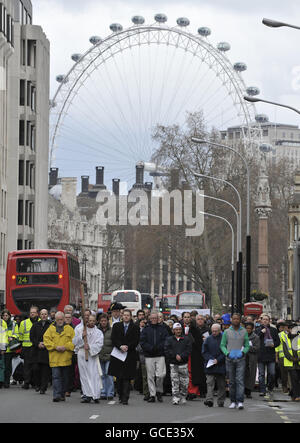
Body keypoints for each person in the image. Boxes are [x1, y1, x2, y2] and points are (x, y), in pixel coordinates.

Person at [108, 309, 140, 405]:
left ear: (130, 317)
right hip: (118, 354)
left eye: (128, 315)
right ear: (122, 316)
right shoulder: (116, 326)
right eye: (124, 315)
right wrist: (120, 346)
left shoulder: (135, 327)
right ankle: (120, 395)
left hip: (129, 354)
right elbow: (113, 338)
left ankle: (125, 398)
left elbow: (136, 340)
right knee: (119, 377)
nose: (126, 317)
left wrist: (127, 347)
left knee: (127, 377)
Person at [43, 311, 75, 402]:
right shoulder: (50, 329)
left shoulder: (69, 329)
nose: (60, 321)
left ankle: (62, 394)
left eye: (61, 319)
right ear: (55, 320)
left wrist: (66, 347)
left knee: (65, 378)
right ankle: (56, 395)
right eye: (58, 319)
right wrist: (55, 347)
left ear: (64, 319)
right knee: (56, 377)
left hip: (65, 358)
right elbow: (46, 340)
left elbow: (74, 341)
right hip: (55, 358)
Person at [220, 313, 250, 410]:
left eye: (237, 319)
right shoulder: (226, 332)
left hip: (241, 359)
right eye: (234, 319)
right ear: (231, 320)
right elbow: (222, 345)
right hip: (229, 359)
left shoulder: (244, 331)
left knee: (240, 380)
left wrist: (243, 352)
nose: (236, 320)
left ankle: (240, 401)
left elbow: (247, 345)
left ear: (240, 320)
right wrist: (227, 353)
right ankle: (233, 401)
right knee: (232, 381)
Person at [73, 314, 103, 403]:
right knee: (84, 375)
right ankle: (87, 394)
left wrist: (90, 346)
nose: (92, 322)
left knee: (94, 374)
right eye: (90, 321)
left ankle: (96, 395)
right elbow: (74, 341)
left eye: (93, 321)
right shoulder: (79, 329)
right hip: (82, 353)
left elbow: (99, 344)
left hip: (92, 355)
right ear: (87, 321)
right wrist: (81, 336)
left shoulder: (98, 332)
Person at [140, 311, 169, 403]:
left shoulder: (163, 329)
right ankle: (152, 394)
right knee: (150, 376)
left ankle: (159, 391)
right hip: (149, 355)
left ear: (158, 319)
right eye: (152, 318)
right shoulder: (146, 329)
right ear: (149, 319)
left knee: (161, 375)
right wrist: (150, 348)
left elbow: (166, 340)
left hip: (160, 354)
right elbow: (142, 341)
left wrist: (159, 347)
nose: (154, 320)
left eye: (155, 318)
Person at [164, 323, 192, 405]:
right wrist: (175, 356)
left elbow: (189, 350)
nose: (178, 331)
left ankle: (183, 396)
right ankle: (175, 397)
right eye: (176, 329)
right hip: (173, 364)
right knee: (174, 381)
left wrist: (181, 356)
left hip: (183, 364)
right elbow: (167, 349)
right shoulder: (169, 339)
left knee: (184, 382)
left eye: (179, 329)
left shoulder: (186, 339)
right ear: (173, 330)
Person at [256, 314, 280, 399]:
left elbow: (278, 342)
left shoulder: (273, 330)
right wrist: (260, 332)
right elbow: (255, 339)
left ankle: (270, 388)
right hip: (261, 355)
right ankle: (262, 390)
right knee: (261, 374)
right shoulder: (258, 329)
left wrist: (274, 345)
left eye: (267, 319)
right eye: (264, 319)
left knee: (272, 373)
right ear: (261, 321)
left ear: (269, 321)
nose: (265, 321)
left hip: (270, 354)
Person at [202, 323, 226, 408]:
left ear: (220, 331)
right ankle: (209, 400)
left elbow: (225, 351)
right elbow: (204, 352)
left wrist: (218, 360)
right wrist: (211, 359)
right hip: (210, 364)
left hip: (221, 364)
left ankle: (221, 401)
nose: (214, 333)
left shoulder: (224, 339)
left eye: (216, 331)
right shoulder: (208, 339)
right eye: (212, 331)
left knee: (221, 384)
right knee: (209, 383)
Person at [29, 309, 51, 394]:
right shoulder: (35, 325)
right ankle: (37, 384)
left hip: (46, 351)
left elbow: (53, 337)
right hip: (36, 351)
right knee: (36, 369)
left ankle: (43, 387)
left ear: (47, 315)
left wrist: (46, 344)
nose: (44, 316)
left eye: (45, 314)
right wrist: (37, 343)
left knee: (45, 371)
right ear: (39, 315)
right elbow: (32, 337)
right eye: (42, 314)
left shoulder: (50, 325)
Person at [18, 306, 40, 389]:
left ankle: (35, 382)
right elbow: (20, 335)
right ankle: (26, 382)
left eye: (34, 312)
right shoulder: (24, 323)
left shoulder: (40, 322)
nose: (32, 314)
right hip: (26, 347)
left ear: (37, 313)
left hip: (36, 347)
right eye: (31, 313)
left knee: (36, 366)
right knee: (27, 366)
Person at [281, 324, 300, 401]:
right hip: (291, 363)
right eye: (292, 329)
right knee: (294, 379)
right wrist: (292, 359)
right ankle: (297, 396)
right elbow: (285, 351)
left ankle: (292, 393)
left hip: (299, 362)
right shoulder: (285, 338)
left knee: (298, 379)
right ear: (288, 329)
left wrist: (298, 359)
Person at [98, 313, 114, 401]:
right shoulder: (97, 330)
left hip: (109, 355)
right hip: (100, 355)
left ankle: (110, 393)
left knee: (109, 374)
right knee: (102, 375)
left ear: (108, 321)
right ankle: (103, 392)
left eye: (105, 321)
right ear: (99, 322)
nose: (103, 322)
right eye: (102, 321)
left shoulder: (111, 330)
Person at [2, 310, 19, 389]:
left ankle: (6, 382)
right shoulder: (1, 323)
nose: (5, 317)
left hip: (9, 349)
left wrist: (12, 337)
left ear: (9, 316)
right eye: (3, 315)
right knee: (2, 366)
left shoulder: (13, 324)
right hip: (1, 348)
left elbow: (17, 334)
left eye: (6, 315)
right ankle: (1, 381)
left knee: (8, 367)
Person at [244, 322, 260, 399]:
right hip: (243, 357)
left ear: (252, 329)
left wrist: (247, 347)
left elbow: (257, 348)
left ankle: (248, 391)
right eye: (247, 328)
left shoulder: (256, 337)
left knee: (251, 375)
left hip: (251, 358)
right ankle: (242, 390)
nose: (248, 330)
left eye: (249, 328)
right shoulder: (242, 336)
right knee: (242, 374)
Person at [136, 318, 150, 401]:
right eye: (142, 322)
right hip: (143, 357)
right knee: (145, 376)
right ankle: (146, 393)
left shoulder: (149, 332)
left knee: (152, 376)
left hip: (151, 356)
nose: (144, 324)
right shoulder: (139, 333)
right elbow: (138, 346)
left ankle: (152, 392)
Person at [0, 315, 8, 388]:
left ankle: (0, 381)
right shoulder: (2, 322)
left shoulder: (2, 323)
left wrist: (3, 348)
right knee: (1, 366)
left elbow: (4, 336)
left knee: (1, 365)